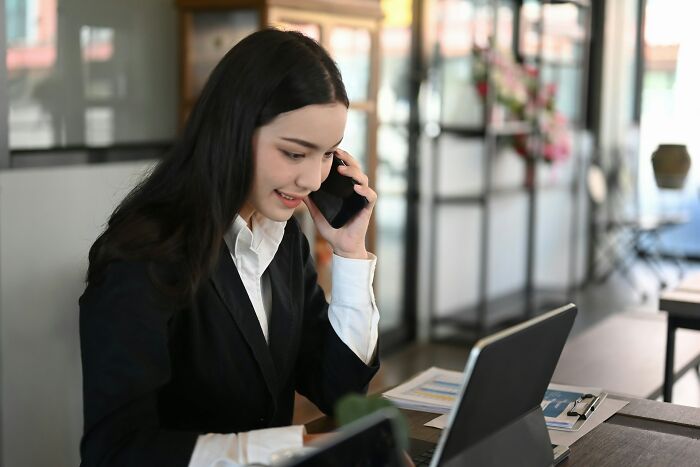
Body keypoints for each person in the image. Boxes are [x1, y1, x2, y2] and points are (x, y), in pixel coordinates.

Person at [79, 29, 380, 466]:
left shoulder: (283, 240)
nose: (314, 179)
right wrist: (290, 449)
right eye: (296, 153)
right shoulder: (142, 257)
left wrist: (351, 252)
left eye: (328, 154)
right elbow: (117, 452)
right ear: (234, 130)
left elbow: (339, 391)